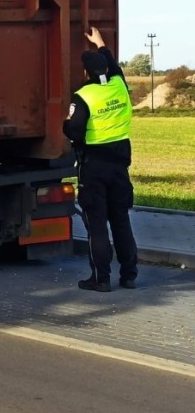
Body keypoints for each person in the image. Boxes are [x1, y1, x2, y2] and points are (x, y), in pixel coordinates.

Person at [63, 27, 138, 292]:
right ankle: (129, 275)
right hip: (120, 165)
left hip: (93, 167)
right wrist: (101, 43)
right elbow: (114, 65)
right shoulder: (119, 84)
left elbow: (75, 132)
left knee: (96, 224)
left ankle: (101, 279)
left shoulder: (84, 96)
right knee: (121, 220)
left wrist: (66, 123)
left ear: (86, 73)